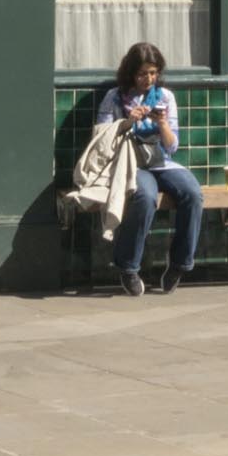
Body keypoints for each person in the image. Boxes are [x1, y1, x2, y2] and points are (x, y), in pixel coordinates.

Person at [94, 40, 204, 296]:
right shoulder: (114, 97)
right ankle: (128, 267)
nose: (148, 79)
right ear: (131, 73)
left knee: (193, 193)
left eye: (153, 73)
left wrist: (163, 123)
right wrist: (126, 122)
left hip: (161, 161)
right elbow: (101, 140)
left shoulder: (165, 97)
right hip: (130, 162)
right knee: (144, 197)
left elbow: (172, 146)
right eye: (143, 73)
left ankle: (179, 264)